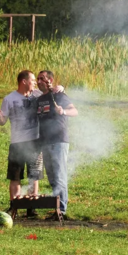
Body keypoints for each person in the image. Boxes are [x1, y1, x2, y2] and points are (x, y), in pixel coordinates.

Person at [33, 70, 78, 219]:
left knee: (59, 175)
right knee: (52, 177)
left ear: (50, 80)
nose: (39, 81)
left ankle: (62, 211)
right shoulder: (40, 99)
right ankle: (56, 209)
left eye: (42, 79)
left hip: (58, 140)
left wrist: (63, 111)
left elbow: (74, 111)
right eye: (38, 79)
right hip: (45, 142)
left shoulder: (59, 95)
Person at [0, 70, 42, 201]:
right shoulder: (9, 99)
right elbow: (2, 122)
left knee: (34, 176)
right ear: (24, 81)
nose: (35, 83)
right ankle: (14, 206)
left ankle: (32, 206)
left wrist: (60, 88)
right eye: (33, 80)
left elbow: (54, 93)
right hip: (17, 143)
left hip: (35, 142)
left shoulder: (38, 95)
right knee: (15, 176)